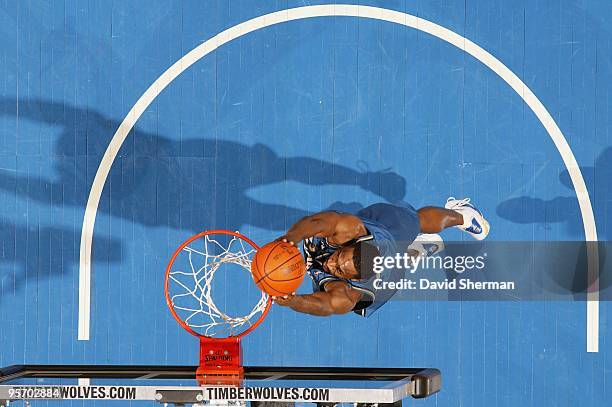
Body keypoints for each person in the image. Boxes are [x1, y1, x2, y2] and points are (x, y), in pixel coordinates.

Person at [274, 198, 490, 316]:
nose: (331, 263)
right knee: (412, 225)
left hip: (386, 281)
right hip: (386, 233)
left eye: (339, 269)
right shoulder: (351, 228)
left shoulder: (347, 293)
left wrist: (295, 302)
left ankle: (445, 230)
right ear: (351, 243)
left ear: (354, 280)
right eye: (338, 257)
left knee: (410, 239)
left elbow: (328, 305)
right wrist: (291, 237)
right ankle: (451, 225)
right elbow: (319, 222)